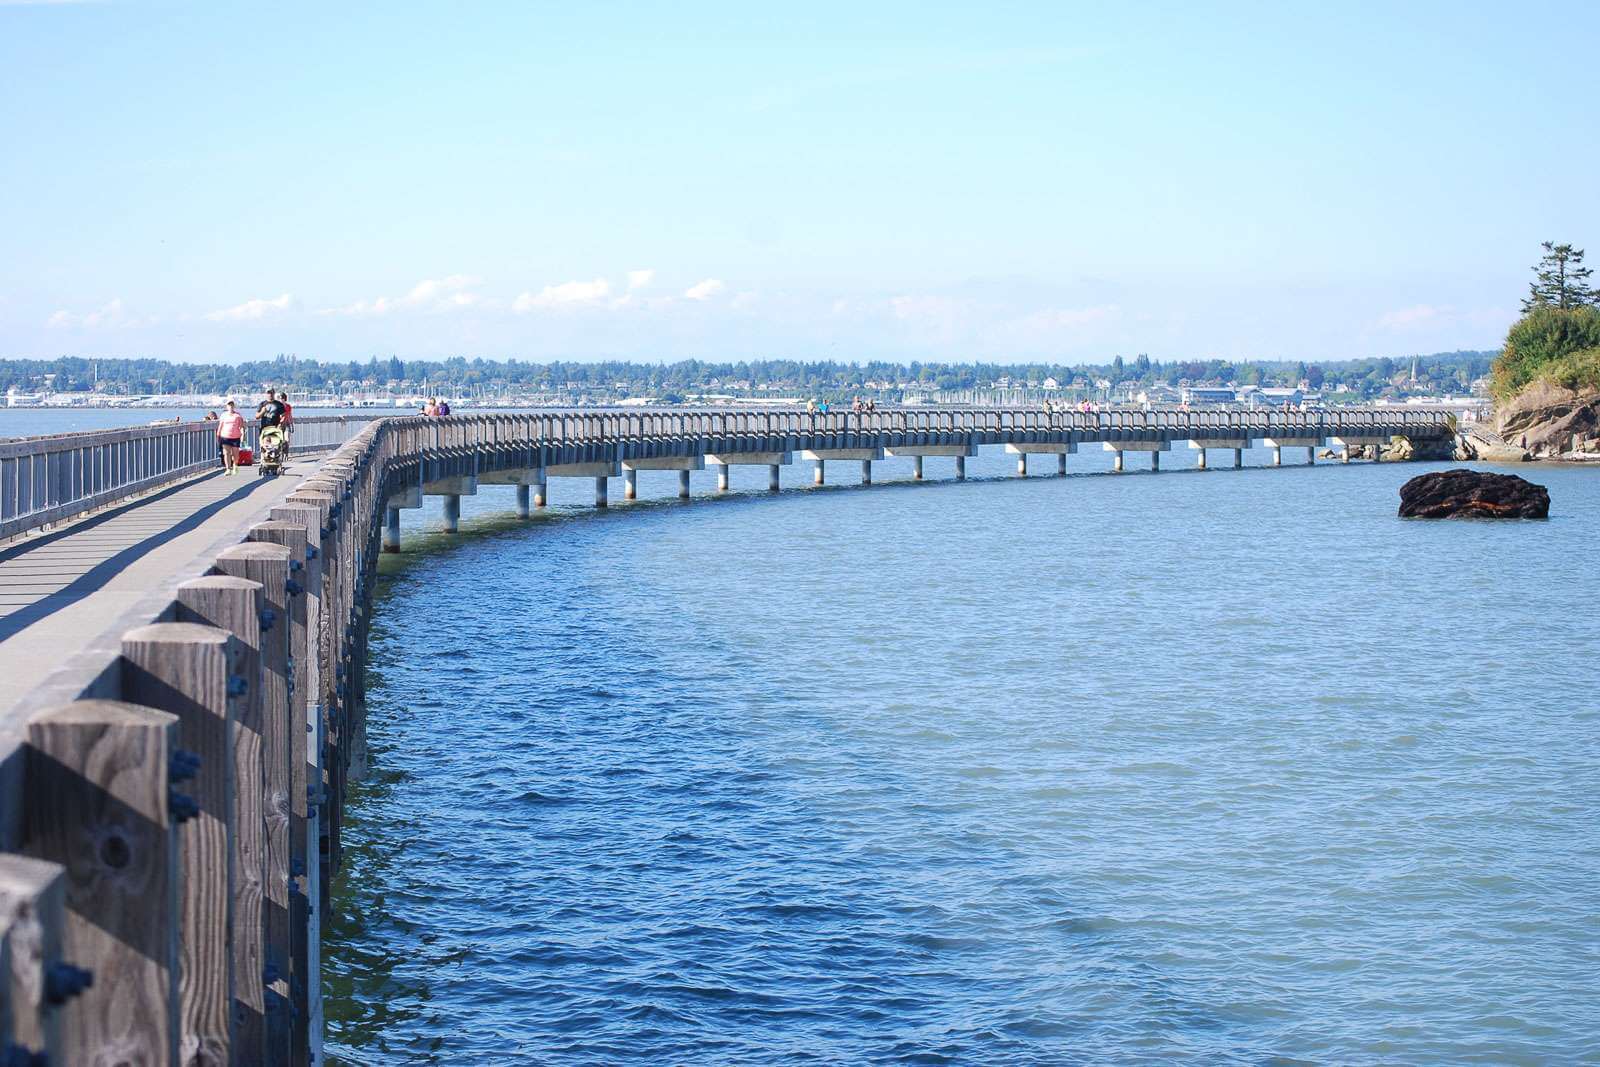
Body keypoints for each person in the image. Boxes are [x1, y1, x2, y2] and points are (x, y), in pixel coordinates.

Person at [217, 401, 246, 475]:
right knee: (226, 453)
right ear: (226, 406)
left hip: (235, 437)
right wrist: (218, 435)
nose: (230, 406)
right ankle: (228, 469)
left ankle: (235, 465)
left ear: (234, 406)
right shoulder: (223, 415)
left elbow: (242, 427)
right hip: (225, 436)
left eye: (232, 405)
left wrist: (243, 435)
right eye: (229, 405)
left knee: (235, 454)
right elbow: (220, 426)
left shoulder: (238, 416)